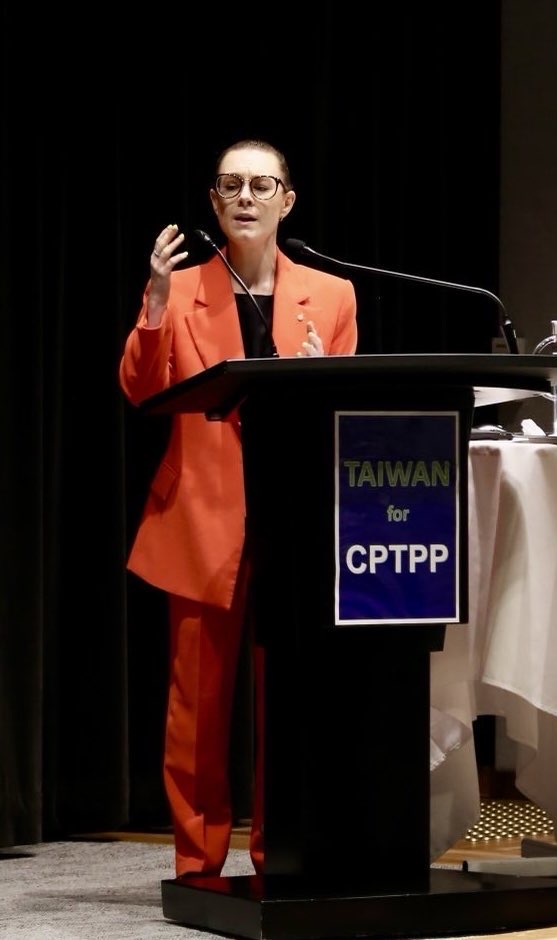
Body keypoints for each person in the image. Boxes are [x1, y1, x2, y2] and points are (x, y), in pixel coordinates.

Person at [119, 139, 358, 878]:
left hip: (295, 519)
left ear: (288, 200)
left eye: (261, 184)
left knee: (286, 704)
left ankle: (277, 856)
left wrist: (322, 380)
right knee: (197, 708)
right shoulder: (180, 288)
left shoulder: (334, 294)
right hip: (200, 519)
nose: (246, 197)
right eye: (232, 185)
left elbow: (344, 414)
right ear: (214, 202)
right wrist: (154, 305)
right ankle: (198, 863)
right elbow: (141, 390)